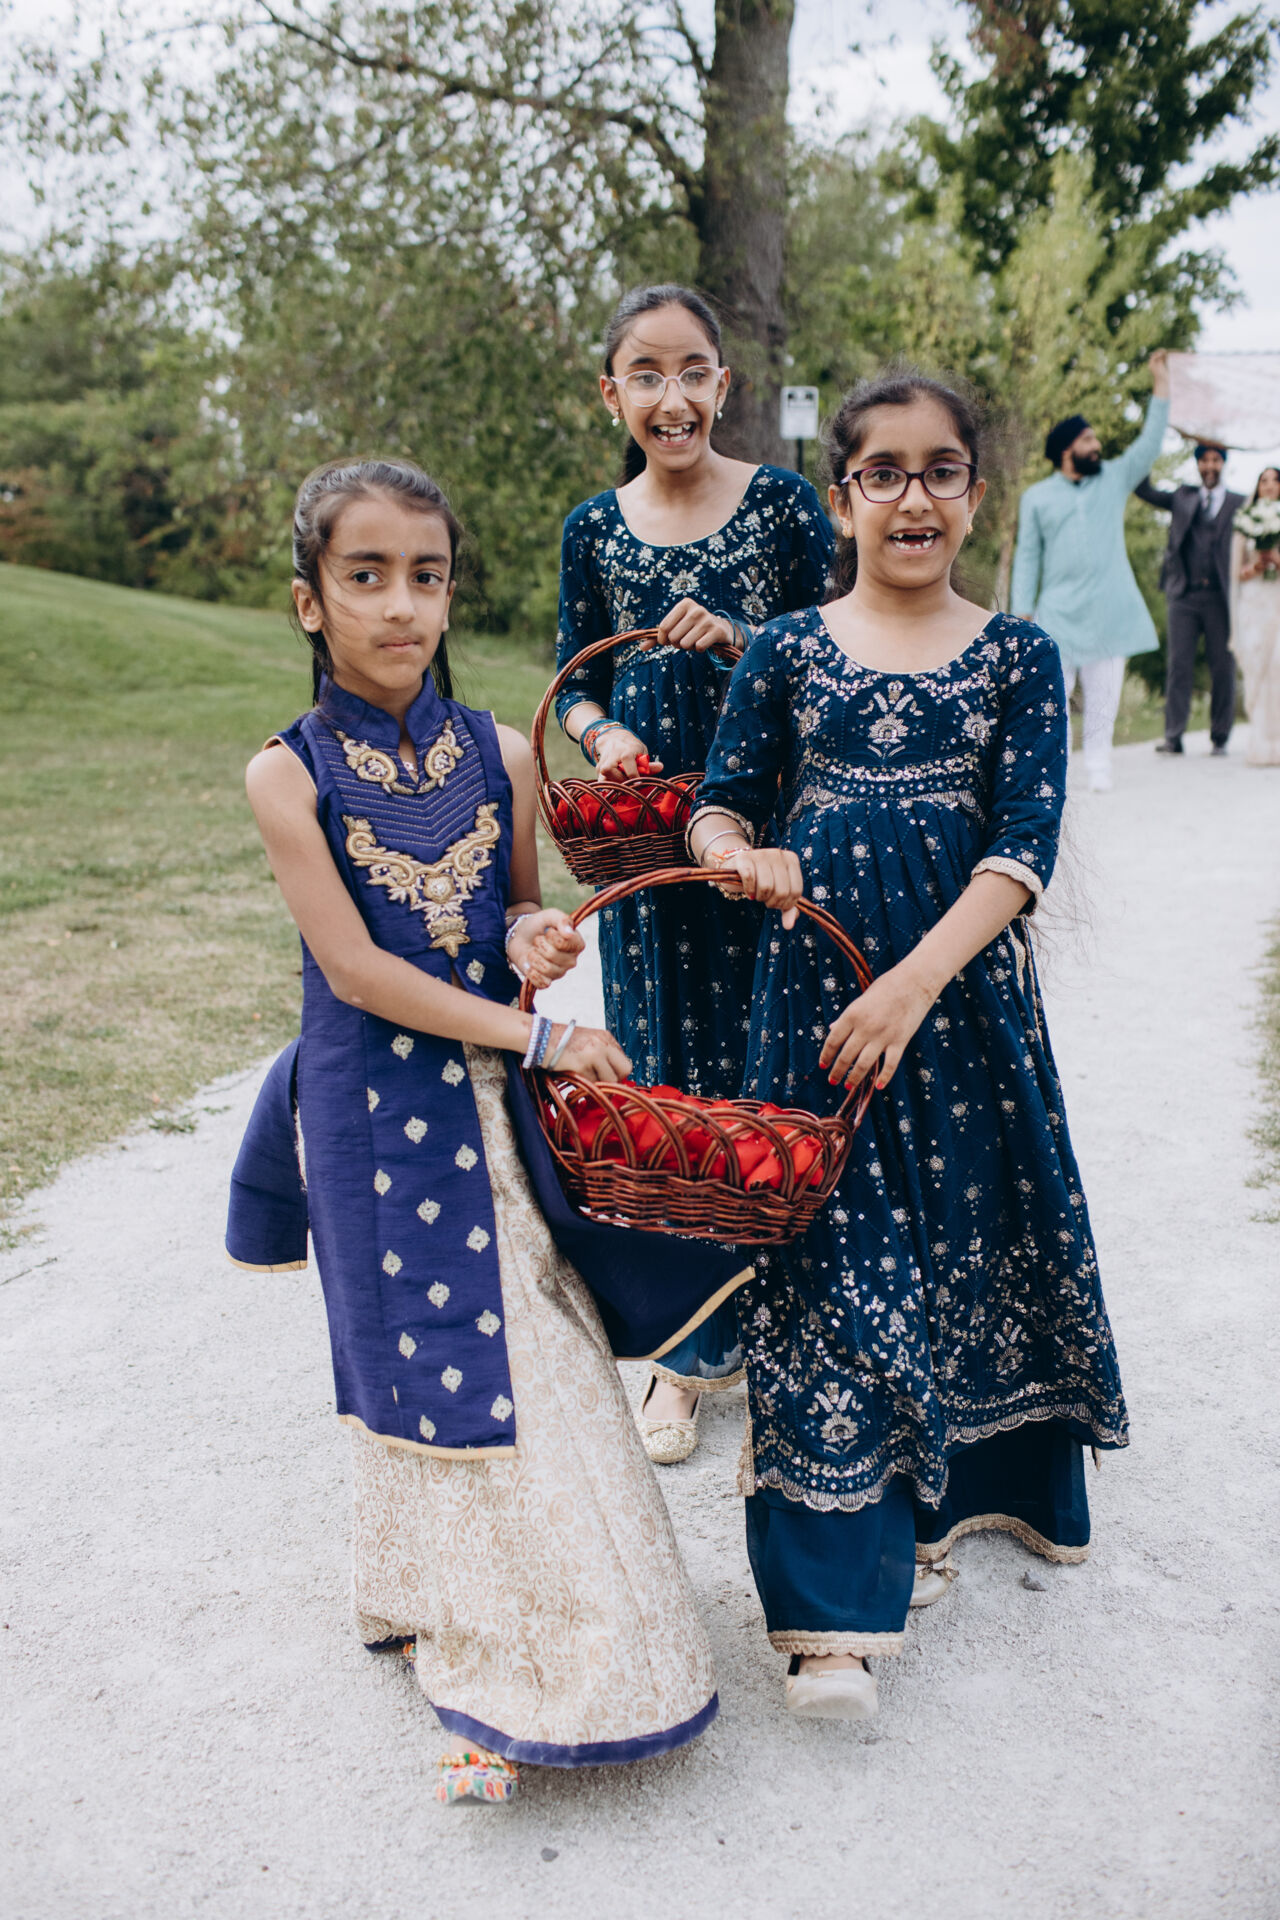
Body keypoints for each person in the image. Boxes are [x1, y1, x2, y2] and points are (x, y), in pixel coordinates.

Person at [235, 457, 719, 1802]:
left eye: (427, 575)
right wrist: (543, 1037)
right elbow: (355, 973)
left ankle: (556, 1647)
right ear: (310, 601)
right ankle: (472, 1637)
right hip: (369, 1115)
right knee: (420, 1367)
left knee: (538, 1361)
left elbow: (510, 916)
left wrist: (533, 941)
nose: (401, 604)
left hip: (490, 1109)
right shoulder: (286, 776)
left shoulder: (503, 754)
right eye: (365, 576)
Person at [689, 371, 1129, 1722]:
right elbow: (717, 806)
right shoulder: (786, 650)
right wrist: (741, 854)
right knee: (826, 1280)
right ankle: (830, 1623)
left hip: (963, 1016)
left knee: (958, 1250)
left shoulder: (1017, 658)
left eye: (940, 471)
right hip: (816, 1020)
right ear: (843, 500)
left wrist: (912, 989)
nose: (912, 497)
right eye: (881, 473)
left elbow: (1022, 844)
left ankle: (950, 1503)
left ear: (976, 496)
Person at [556, 283, 835, 1463]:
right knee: (665, 1081)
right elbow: (573, 678)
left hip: (760, 835)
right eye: (644, 374)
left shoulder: (780, 504)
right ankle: (681, 1355)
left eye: (690, 372)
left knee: (771, 1073)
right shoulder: (592, 527)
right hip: (651, 845)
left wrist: (735, 637)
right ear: (609, 393)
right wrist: (601, 732)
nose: (668, 397)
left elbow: (839, 649)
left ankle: (788, 1335)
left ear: (725, 385)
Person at [1010, 351, 1171, 791]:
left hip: (1108, 611)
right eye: (1088, 439)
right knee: (1052, 697)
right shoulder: (1037, 498)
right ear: (1067, 450)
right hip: (1057, 613)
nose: (1096, 445)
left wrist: (1160, 383)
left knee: (1103, 697)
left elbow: (1150, 444)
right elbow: (1028, 557)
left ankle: (1099, 768)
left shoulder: (1113, 479)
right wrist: (1022, 612)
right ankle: (1057, 771)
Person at [1135, 445, 1246, 757]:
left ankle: (1220, 737)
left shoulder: (1240, 502)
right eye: (1204, 460)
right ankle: (1173, 737)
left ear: (1223, 463)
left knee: (1222, 667)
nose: (1209, 466)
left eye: (1215, 460)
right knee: (1178, 666)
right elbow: (1143, 490)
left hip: (1221, 597)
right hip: (1184, 594)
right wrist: (1147, 448)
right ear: (1197, 464)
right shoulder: (1182, 496)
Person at [1230, 466, 1280, 766]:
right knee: (1256, 666)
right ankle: (1259, 742)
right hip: (1253, 601)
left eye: (1275, 480)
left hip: (1278, 599)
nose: (1270, 485)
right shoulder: (1245, 522)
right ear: (1258, 486)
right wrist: (1257, 567)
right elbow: (1235, 571)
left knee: (1277, 665)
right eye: (1264, 480)